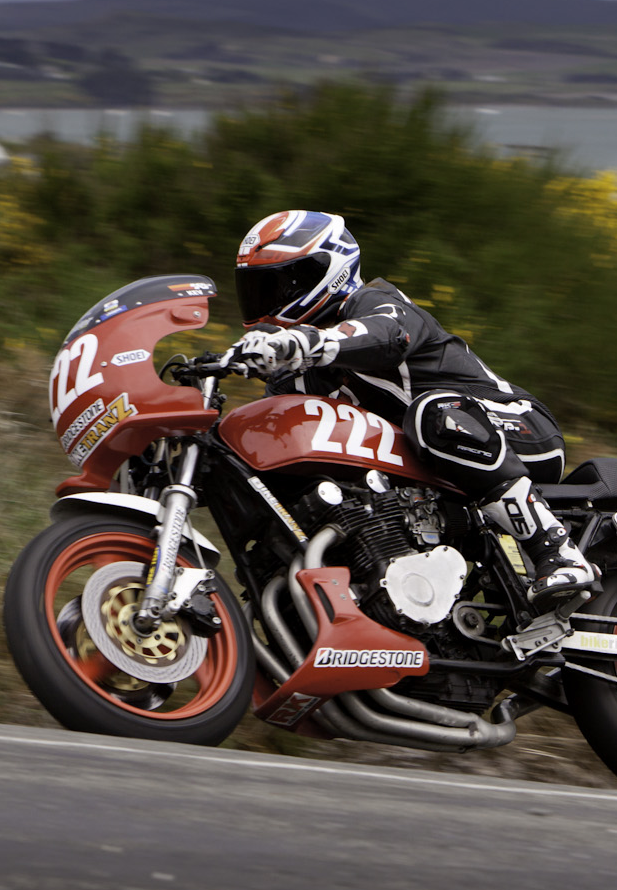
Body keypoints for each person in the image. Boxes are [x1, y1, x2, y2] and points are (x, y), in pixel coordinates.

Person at [223, 209, 596, 610]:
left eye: (279, 284)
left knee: (433, 414)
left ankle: (557, 551)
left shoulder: (374, 302)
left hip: (518, 427)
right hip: (440, 467)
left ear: (326, 270)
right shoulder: (295, 376)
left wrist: (302, 343)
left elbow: (386, 336)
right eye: (257, 288)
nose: (266, 302)